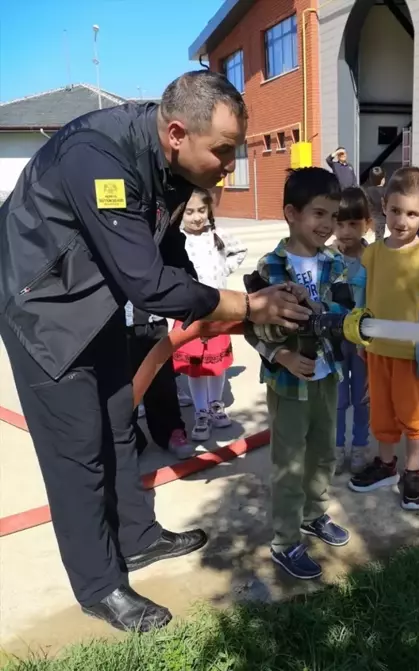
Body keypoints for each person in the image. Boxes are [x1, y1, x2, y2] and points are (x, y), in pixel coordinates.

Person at [0, 70, 311, 632]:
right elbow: (147, 283)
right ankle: (100, 586)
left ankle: (138, 538)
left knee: (118, 422)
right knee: (77, 453)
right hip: (43, 309)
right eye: (223, 151)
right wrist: (245, 306)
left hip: (92, 299)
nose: (230, 166)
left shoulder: (164, 160)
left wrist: (221, 309)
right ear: (176, 133)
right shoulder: (99, 158)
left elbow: (168, 250)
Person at [244, 167, 351, 581]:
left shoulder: (335, 263)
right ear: (291, 212)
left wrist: (335, 317)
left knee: (324, 452)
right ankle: (285, 541)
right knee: (289, 462)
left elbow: (343, 313)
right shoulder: (270, 267)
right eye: (318, 214)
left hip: (327, 377)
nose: (326, 225)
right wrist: (283, 356)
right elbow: (251, 327)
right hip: (288, 383)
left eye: (333, 217)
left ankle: (315, 515)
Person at [348, 167, 419, 510]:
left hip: (410, 355)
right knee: (382, 412)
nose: (402, 220)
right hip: (376, 351)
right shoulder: (373, 253)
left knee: (413, 414)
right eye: (395, 210)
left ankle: (413, 470)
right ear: (384, 206)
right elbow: (361, 298)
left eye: (412, 213)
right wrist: (359, 337)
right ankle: (387, 465)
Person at [172, 188, 247, 441]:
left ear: (209, 211)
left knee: (216, 365)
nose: (196, 217)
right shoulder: (176, 238)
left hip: (218, 309)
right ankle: (201, 411)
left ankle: (216, 404)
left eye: (201, 211)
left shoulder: (218, 235)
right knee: (195, 368)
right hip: (190, 314)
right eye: (189, 212)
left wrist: (224, 269)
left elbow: (240, 250)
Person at [329, 187, 370, 475]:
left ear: (367, 223)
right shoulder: (326, 256)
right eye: (339, 223)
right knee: (338, 398)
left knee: (363, 396)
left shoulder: (374, 256)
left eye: (353, 223)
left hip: (365, 341)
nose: (345, 231)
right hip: (333, 340)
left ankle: (360, 446)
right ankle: (336, 447)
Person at [126, 303, 194, 460]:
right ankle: (129, 439)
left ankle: (171, 432)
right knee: (125, 386)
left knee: (163, 380)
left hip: (154, 317)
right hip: (119, 322)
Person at [363, 166, 386, 240]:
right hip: (383, 220)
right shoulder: (387, 191)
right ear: (383, 180)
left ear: (370, 179)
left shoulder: (367, 191)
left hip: (371, 220)